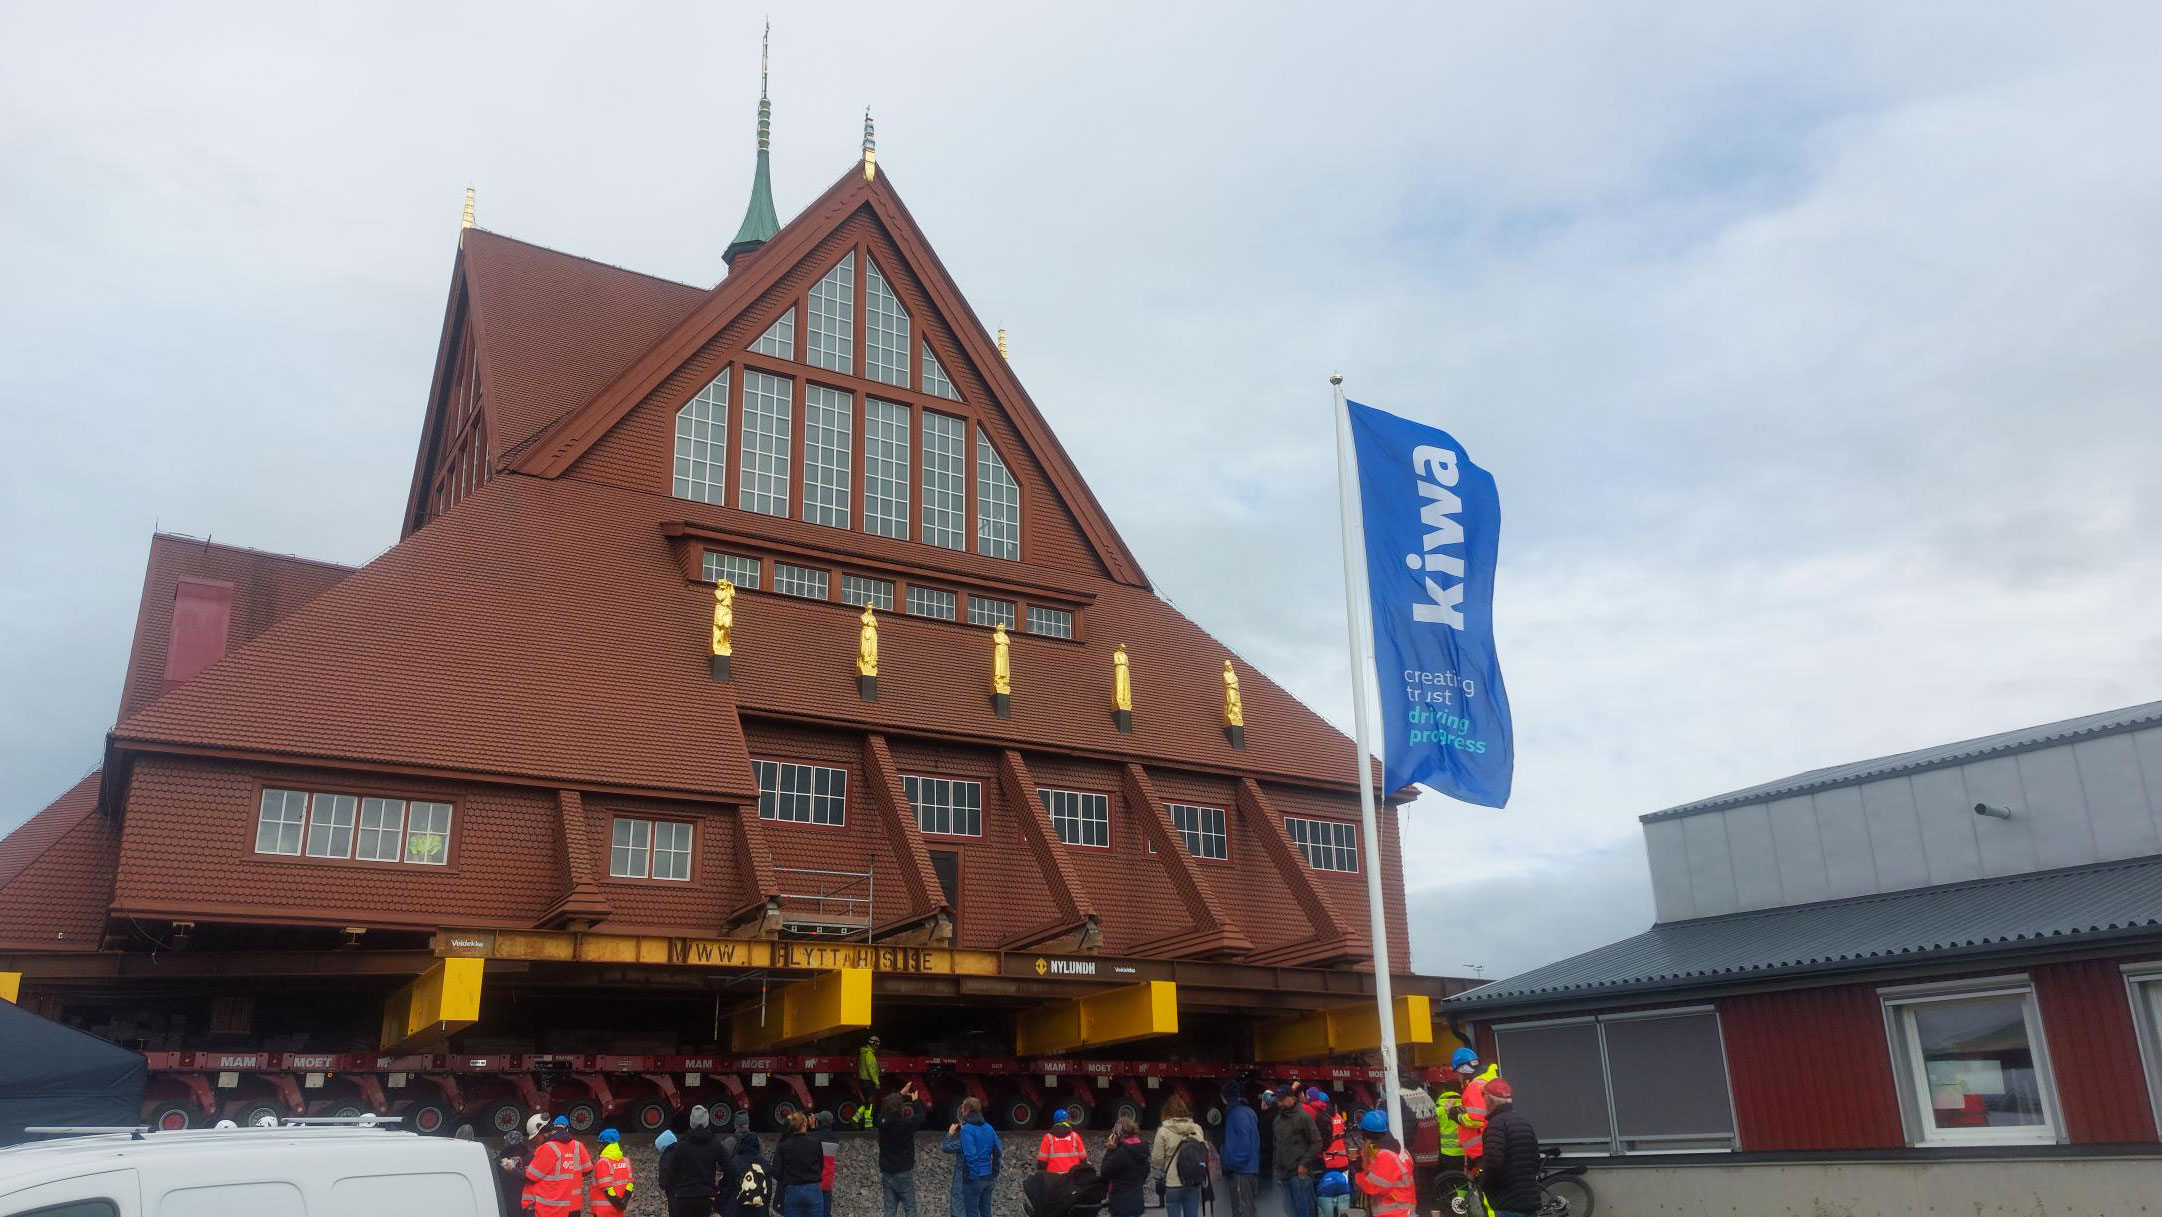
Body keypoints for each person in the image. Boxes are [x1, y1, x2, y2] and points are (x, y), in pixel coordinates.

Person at [1476, 1081, 1540, 1217]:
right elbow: (1535, 1159)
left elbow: (1493, 1163)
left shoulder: (1496, 1125)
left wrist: (1485, 1186)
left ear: (1490, 1099)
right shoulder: (1523, 1122)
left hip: (1506, 1201)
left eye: (1483, 1096)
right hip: (1528, 1198)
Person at [1149, 1094, 1208, 1217]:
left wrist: (1163, 1168)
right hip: (1193, 1180)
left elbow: (1157, 1160)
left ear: (1166, 1112)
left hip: (1173, 1183)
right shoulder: (1197, 1129)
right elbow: (1203, 1152)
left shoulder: (1163, 1131)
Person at [523, 1116, 593, 1217]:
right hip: (574, 1207)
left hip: (552, 1210)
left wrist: (513, 1169)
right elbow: (587, 1170)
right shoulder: (578, 1146)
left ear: (543, 1133)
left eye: (536, 1137)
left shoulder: (547, 1148)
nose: (536, 1140)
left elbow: (530, 1177)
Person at [668, 1104, 728, 1217]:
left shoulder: (681, 1146)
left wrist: (678, 1188)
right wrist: (720, 1187)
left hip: (683, 1197)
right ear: (706, 1122)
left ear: (691, 1123)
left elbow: (670, 1176)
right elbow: (729, 1170)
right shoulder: (715, 1145)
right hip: (706, 1197)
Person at [1352, 1111, 1416, 1217]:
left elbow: (1371, 1188)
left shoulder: (1385, 1157)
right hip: (1403, 1210)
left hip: (1393, 1212)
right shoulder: (1400, 1151)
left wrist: (1359, 1170)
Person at [878, 1083, 928, 1217]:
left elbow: (883, 1110)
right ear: (901, 1108)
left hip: (887, 1170)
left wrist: (899, 1094)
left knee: (889, 1209)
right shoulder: (907, 1123)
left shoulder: (882, 1123)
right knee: (910, 1208)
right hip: (904, 1170)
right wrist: (915, 1101)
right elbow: (921, 1117)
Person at [1269, 1088, 1320, 1217]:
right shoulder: (1277, 1121)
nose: (1279, 1103)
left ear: (1292, 1098)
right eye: (1278, 1100)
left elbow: (1317, 1142)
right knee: (1289, 1211)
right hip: (1283, 1175)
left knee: (1302, 1212)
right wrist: (1275, 1167)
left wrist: (1303, 1164)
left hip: (1299, 1175)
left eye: (1282, 1100)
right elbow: (1276, 1145)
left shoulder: (1303, 1118)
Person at [1447, 1049, 1499, 1171]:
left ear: (1464, 1069)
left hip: (1481, 1150)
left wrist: (1456, 1116)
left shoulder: (1473, 1088)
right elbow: (1482, 1111)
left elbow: (1476, 1120)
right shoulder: (1487, 1082)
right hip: (1491, 1145)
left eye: (1457, 1073)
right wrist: (1459, 1110)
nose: (1456, 1076)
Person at [955, 1095, 1003, 1217]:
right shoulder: (989, 1128)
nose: (961, 1110)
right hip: (988, 1177)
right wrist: (994, 1173)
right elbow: (998, 1151)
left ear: (968, 1110)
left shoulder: (967, 1130)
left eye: (963, 1107)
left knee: (972, 1213)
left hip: (975, 1179)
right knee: (986, 1213)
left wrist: (974, 1177)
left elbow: (970, 1156)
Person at [1217, 1082, 1259, 1217]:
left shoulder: (1236, 1114)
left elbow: (1243, 1143)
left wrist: (1230, 1163)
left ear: (1224, 1097)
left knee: (1242, 1210)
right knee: (1247, 1208)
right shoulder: (1248, 1112)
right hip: (1249, 1168)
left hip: (1241, 1170)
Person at [1097, 1116, 1150, 1217]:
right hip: (1137, 1202)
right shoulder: (1142, 1150)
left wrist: (1110, 1150)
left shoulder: (1121, 1153)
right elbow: (1146, 1172)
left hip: (1120, 1203)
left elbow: (1105, 1172)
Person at [776, 1111, 826, 1217]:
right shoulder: (815, 1142)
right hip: (812, 1187)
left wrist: (787, 1179)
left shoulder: (783, 1145)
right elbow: (821, 1165)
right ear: (804, 1124)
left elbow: (777, 1171)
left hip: (792, 1188)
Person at [590, 1127, 634, 1217]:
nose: (598, 1147)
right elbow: (630, 1185)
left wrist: (617, 1203)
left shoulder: (602, 1163)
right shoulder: (626, 1161)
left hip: (603, 1212)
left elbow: (607, 1189)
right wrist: (623, 1202)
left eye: (600, 1144)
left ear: (605, 1145)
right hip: (619, 1212)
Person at [734, 1129, 773, 1216]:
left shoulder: (735, 1162)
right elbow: (769, 1189)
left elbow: (730, 1186)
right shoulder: (764, 1163)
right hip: (759, 1209)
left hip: (739, 1209)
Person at [1036, 1108, 1086, 1175]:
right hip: (1072, 1177)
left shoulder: (1048, 1138)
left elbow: (1041, 1162)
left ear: (1054, 1121)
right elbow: (1083, 1160)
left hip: (1053, 1178)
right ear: (1067, 1120)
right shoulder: (1075, 1136)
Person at [494, 1128, 529, 1217]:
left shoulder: (499, 1161)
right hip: (525, 1204)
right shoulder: (530, 1158)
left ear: (506, 1143)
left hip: (505, 1203)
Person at [817, 1110, 841, 1217]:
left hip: (815, 1180)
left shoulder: (813, 1137)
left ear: (820, 1122)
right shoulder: (835, 1139)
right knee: (825, 1213)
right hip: (827, 1180)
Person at [858, 1035, 883, 1129]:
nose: (877, 1047)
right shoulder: (869, 1054)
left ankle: (855, 1119)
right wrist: (876, 1082)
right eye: (877, 1045)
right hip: (868, 1081)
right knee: (871, 1103)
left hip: (863, 1081)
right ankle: (868, 1124)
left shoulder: (863, 1053)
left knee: (866, 1102)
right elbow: (871, 1069)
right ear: (874, 1044)